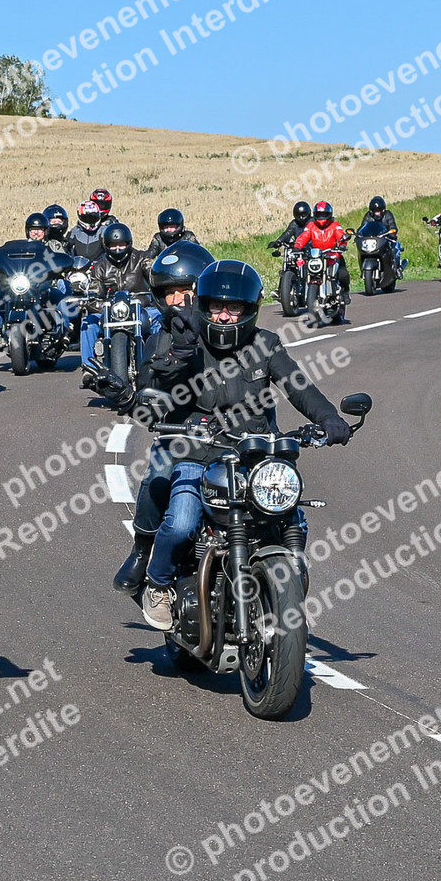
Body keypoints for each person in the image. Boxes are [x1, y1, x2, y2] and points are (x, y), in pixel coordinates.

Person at [105, 259, 354, 628]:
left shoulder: (265, 345)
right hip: (195, 453)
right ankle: (158, 585)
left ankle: (285, 578)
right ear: (203, 306)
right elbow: (155, 391)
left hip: (254, 455)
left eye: (233, 308)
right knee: (181, 522)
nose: (223, 316)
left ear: (249, 310)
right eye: (216, 307)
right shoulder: (182, 340)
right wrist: (176, 359)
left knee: (292, 516)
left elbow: (299, 386)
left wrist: (328, 419)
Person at [108, 239, 217, 595]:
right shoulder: (158, 341)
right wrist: (130, 398)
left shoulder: (226, 334)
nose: (178, 301)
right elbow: (146, 400)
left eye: (186, 292)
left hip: (230, 434)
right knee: (159, 472)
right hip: (180, 435)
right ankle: (141, 550)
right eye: (169, 293)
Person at [79, 223, 161, 370]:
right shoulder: (99, 266)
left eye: (121, 244)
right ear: (106, 246)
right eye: (113, 245)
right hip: (110, 311)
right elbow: (94, 290)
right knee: (88, 324)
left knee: (161, 320)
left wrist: (160, 281)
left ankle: (161, 363)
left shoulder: (141, 259)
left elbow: (154, 275)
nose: (117, 249)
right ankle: (89, 369)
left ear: (128, 243)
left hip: (142, 308)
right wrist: (90, 298)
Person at [291, 201, 350, 308]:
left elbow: (341, 236)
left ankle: (345, 292)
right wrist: (297, 246)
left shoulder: (335, 225)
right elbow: (303, 236)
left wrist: (342, 244)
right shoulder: (311, 226)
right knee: (304, 271)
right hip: (316, 256)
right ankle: (304, 294)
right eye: (319, 215)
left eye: (324, 214)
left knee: (343, 274)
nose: (321, 217)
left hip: (332, 255)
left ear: (329, 214)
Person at [133, 208, 197, 276]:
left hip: (186, 272)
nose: (169, 229)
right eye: (166, 227)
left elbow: (198, 254)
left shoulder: (188, 237)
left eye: (172, 227)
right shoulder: (158, 238)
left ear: (179, 226)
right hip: (164, 274)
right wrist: (150, 270)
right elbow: (149, 255)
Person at [359, 196, 406, 273]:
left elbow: (392, 226)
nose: (377, 213)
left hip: (386, 239)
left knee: (393, 249)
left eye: (379, 211)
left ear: (383, 210)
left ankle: (396, 269)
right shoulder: (368, 216)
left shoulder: (388, 215)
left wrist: (391, 233)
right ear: (371, 211)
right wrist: (359, 234)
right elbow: (363, 227)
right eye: (375, 211)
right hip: (373, 241)